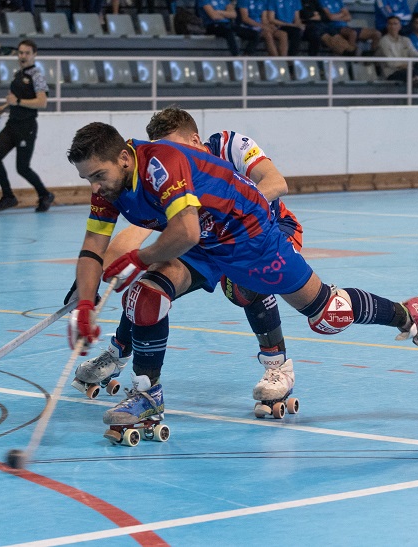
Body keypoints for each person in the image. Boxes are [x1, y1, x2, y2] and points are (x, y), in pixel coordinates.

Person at [66, 121, 418, 427]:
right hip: (204, 244)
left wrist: (142, 255)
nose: (94, 186)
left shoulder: (161, 164)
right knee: (145, 295)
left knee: (329, 313)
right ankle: (148, 393)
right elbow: (92, 249)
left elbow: (181, 231)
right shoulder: (111, 186)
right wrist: (84, 305)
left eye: (97, 175)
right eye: (88, 179)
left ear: (122, 157)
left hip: (248, 237)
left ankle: (410, 315)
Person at [70, 107, 303, 410]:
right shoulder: (163, 176)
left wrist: (229, 208)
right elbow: (129, 240)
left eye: (175, 148)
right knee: (149, 285)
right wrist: (88, 288)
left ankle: (277, 367)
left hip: (265, 230)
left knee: (244, 280)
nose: (171, 157)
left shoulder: (229, 145)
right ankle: (119, 353)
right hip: (206, 240)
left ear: (195, 140)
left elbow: (276, 182)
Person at [0, 40, 55, 213]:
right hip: (12, 124)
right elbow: (16, 98)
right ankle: (8, 196)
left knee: (22, 168)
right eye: (20, 53)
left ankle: (45, 194)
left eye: (27, 53)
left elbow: (42, 102)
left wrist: (17, 101)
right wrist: (6, 106)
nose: (23, 56)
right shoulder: (18, 74)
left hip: (27, 126)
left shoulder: (37, 76)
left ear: (34, 55)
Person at [378, 16, 418, 104]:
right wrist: (408, 64)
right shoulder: (384, 41)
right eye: (390, 24)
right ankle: (415, 78)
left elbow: (414, 54)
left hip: (409, 68)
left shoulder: (406, 40)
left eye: (395, 24)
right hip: (392, 72)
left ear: (400, 26)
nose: (393, 26)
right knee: (413, 72)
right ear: (387, 26)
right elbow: (391, 63)